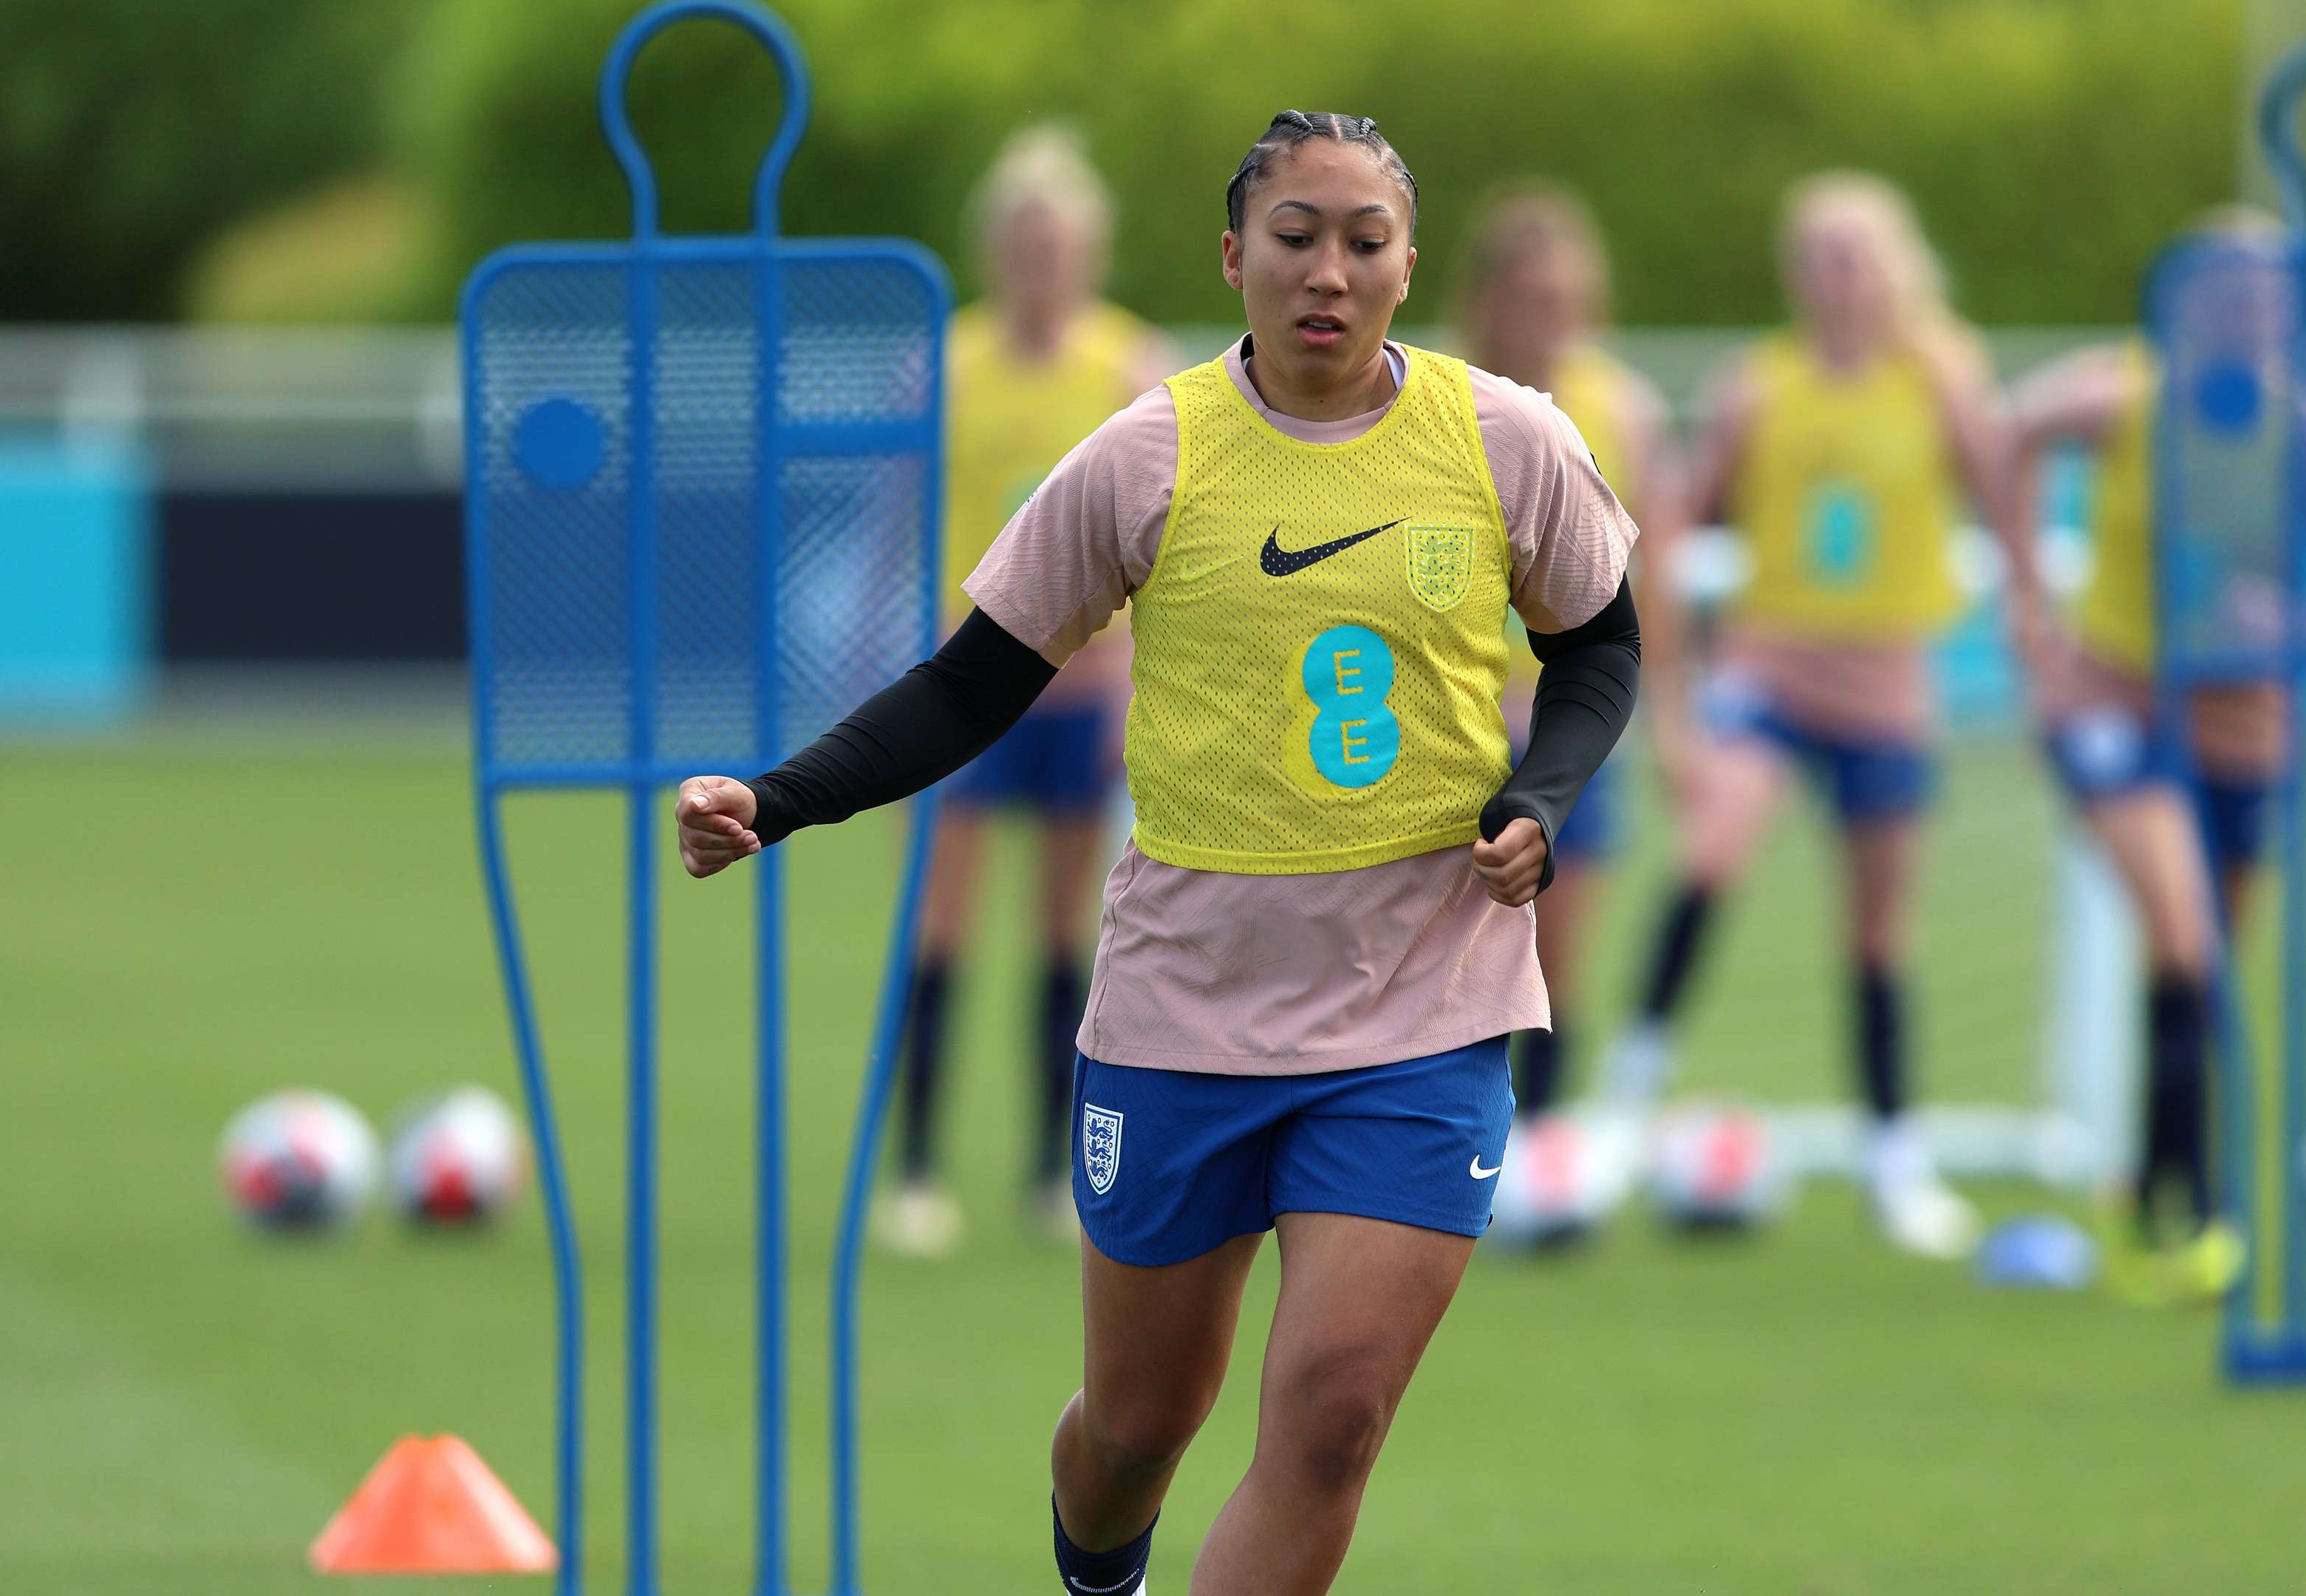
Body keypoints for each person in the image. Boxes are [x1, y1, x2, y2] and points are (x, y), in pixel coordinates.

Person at [674, 112, 1639, 1595]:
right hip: (1186, 1014)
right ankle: (1095, 1566)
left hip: (1424, 1006)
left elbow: (1599, 650)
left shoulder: (1507, 438)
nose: (1327, 270)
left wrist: (1542, 799)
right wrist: (782, 797)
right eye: (1296, 237)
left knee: (1332, 1420)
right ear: (1235, 257)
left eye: (1363, 241)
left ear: (1405, 264)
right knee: (1135, 1429)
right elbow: (969, 683)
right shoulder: (1151, 451)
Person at [1603, 171, 2013, 1260]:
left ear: (1895, 266)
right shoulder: (1760, 385)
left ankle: (1895, 1161)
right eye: (1820, 256)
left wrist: (2038, 626)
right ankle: (1621, 1107)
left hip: (1887, 690)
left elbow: (2005, 497)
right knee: (1712, 850)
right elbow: (1682, 524)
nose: (1839, 277)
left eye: (1857, 255)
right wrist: (1675, 703)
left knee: (1881, 930)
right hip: (1771, 674)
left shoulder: (1941, 379)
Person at [2001, 206, 2306, 1300]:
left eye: (2266, 289)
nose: (2244, 308)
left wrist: (2298, 627)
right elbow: (2007, 434)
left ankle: (2142, 1191)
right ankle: (2193, 1214)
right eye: (2224, 286)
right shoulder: (2127, 394)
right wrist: (2030, 601)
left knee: (2206, 962)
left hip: (2244, 721)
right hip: (2118, 701)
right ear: (2188, 300)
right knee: (2181, 936)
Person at [881, 125, 1184, 1256]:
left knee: (1069, 934)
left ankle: (1051, 1170)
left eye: (1056, 240)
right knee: (940, 923)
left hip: (1084, 689)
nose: (1039, 259)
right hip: (969, 685)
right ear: (994, 248)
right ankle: (914, 1169)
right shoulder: (946, 367)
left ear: (1088, 249)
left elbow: (1168, 550)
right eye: (1021, 238)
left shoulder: (1129, 368)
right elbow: (893, 530)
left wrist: (1142, 690)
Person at [1453, 183, 1677, 1119]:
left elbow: (1653, 578)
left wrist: (1669, 717)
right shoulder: (1441, 398)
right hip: (1455, 721)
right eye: (1529, 299)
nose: (1549, 320)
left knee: (1556, 956)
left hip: (1570, 725)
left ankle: (1537, 1153)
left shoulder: (1621, 411)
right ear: (1486, 300)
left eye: (1565, 301)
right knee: (1445, 959)